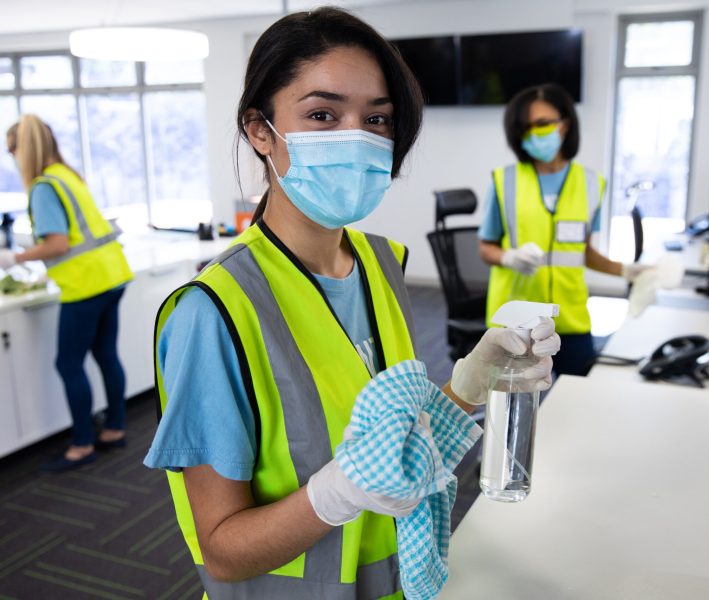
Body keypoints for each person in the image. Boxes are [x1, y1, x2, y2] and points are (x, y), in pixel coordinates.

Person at [143, 7, 559, 598]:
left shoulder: (382, 263)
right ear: (260, 130)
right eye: (321, 114)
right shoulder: (213, 312)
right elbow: (224, 553)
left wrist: (470, 383)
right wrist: (334, 494)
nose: (356, 137)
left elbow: (394, 439)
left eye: (377, 119)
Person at [479, 83, 649, 377]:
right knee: (510, 407)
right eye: (526, 127)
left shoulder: (591, 184)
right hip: (515, 319)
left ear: (565, 124)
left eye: (543, 124)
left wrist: (627, 271)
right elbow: (486, 247)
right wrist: (508, 257)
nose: (535, 133)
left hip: (569, 317)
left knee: (580, 400)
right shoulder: (504, 180)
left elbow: (584, 253)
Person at [2, 115, 134, 471]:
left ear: (20, 150)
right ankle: (115, 429)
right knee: (106, 354)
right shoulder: (67, 174)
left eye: (11, 151)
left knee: (68, 363)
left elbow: (57, 243)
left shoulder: (44, 186)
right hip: (113, 275)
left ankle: (81, 444)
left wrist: (14, 257)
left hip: (85, 284)